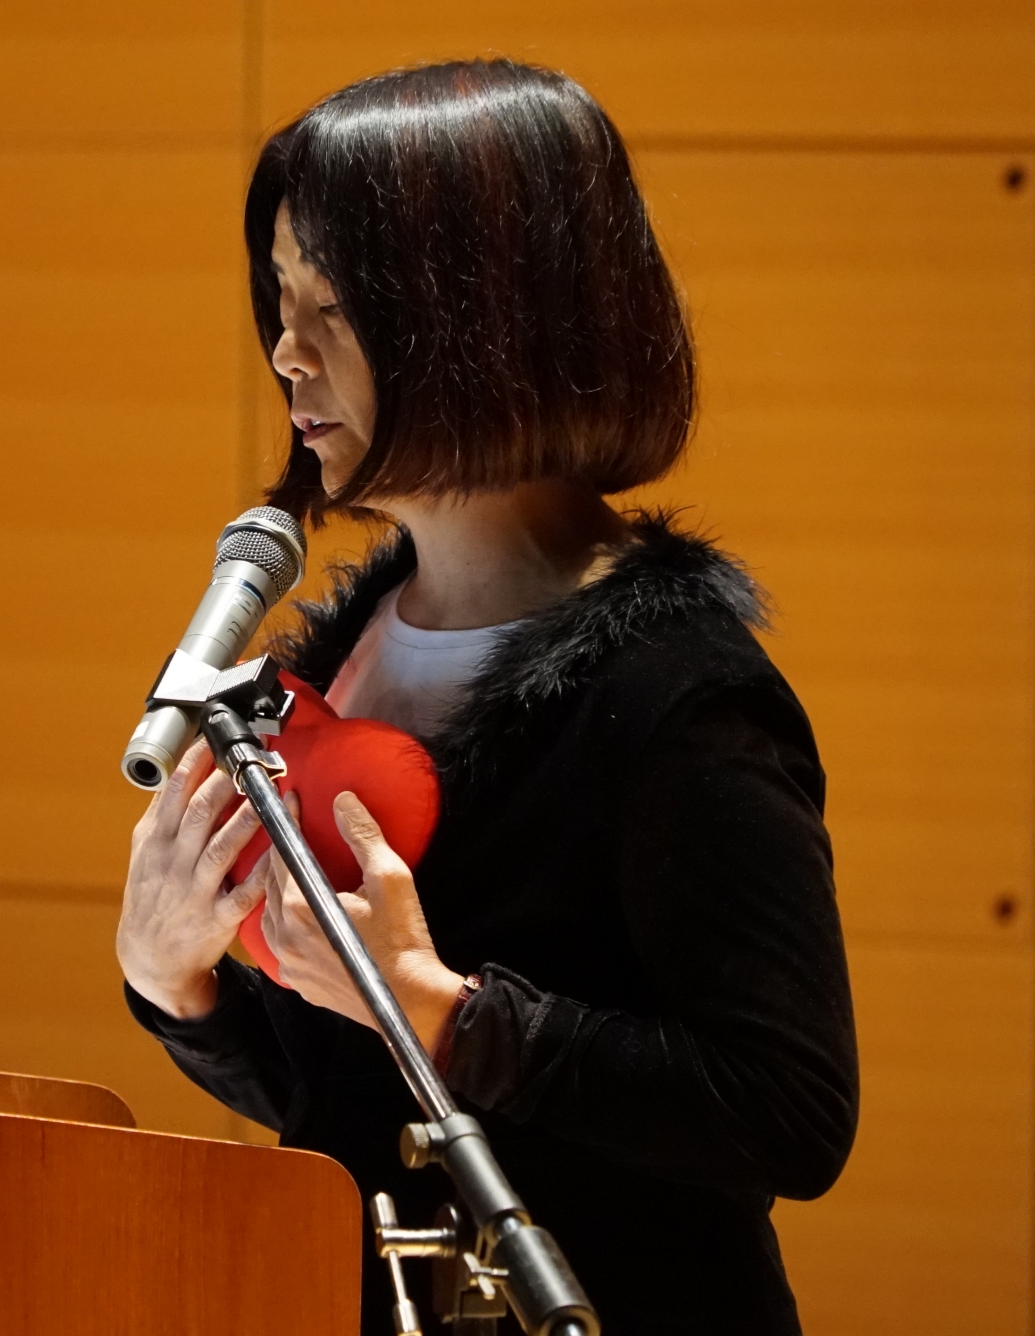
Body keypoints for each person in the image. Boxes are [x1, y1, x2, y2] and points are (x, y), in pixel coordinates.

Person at [114, 60, 858, 1335]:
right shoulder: (333, 664)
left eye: (334, 307)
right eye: (279, 301)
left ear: (487, 318)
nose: (285, 356)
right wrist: (173, 986)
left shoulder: (679, 692)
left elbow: (784, 1109)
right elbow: (330, 1095)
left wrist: (456, 1017)